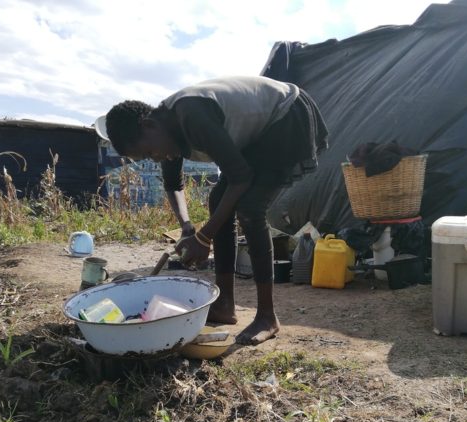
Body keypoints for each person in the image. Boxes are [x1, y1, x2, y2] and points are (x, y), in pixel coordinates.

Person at [105, 76, 328, 345]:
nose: (155, 157)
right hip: (263, 132)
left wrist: (204, 237)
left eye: (150, 151)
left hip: (287, 114)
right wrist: (187, 227)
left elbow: (241, 178)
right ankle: (224, 304)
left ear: (149, 125)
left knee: (250, 207)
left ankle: (267, 316)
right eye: (148, 158)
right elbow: (173, 185)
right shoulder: (164, 132)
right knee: (218, 200)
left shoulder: (191, 117)